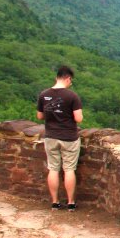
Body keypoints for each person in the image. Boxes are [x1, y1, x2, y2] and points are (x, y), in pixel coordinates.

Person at [37, 65, 84, 210]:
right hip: (69, 136)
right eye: (71, 81)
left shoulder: (44, 95)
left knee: (53, 168)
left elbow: (39, 116)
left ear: (56, 77)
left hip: (50, 136)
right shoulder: (72, 96)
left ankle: (55, 202)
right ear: (68, 78)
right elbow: (79, 118)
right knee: (69, 169)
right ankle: (70, 203)